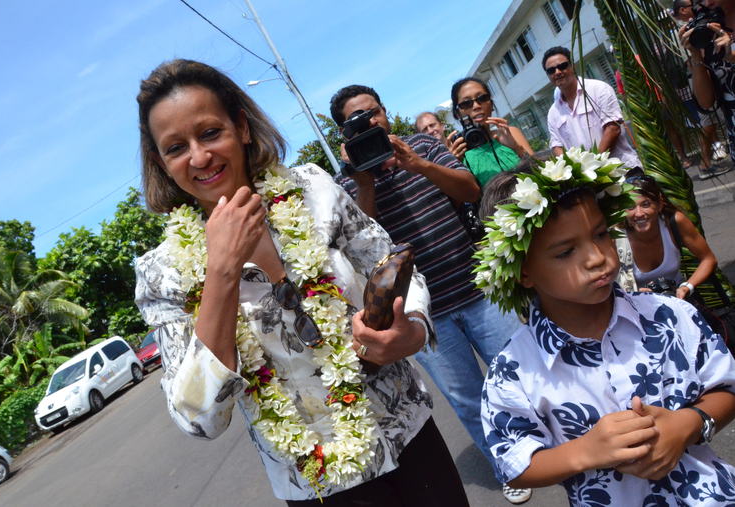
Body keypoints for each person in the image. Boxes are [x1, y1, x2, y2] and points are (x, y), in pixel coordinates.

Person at [133, 59, 470, 506]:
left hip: (408, 434)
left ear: (242, 128)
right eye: (176, 147)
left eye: (211, 133)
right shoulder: (163, 272)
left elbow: (388, 263)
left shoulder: (313, 189)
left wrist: (412, 327)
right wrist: (222, 271)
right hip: (318, 483)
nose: (199, 157)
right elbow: (201, 419)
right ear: (161, 162)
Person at [475, 148, 735, 505]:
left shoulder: (671, 316)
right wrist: (586, 451)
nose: (598, 257)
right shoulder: (514, 371)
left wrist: (689, 424)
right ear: (523, 272)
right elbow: (515, 462)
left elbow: (726, 387)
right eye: (565, 252)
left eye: (600, 234)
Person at [329, 85, 530, 504]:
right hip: (421, 315)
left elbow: (471, 191)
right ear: (342, 136)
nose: (369, 124)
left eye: (372, 114)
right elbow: (356, 237)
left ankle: (550, 447)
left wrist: (417, 163)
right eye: (356, 122)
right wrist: (362, 180)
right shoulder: (343, 186)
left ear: (385, 112)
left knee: (520, 376)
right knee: (470, 399)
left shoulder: (421, 144)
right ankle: (509, 465)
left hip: (477, 289)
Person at [543, 46, 642, 169]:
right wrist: (572, 172)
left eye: (562, 66)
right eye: (551, 70)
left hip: (622, 169)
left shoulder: (599, 89)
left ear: (572, 65)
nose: (557, 72)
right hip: (587, 182)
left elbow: (613, 128)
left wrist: (593, 166)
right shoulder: (553, 112)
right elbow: (557, 145)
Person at [621, 173, 719, 297]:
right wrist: (633, 294)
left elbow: (708, 259)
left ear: (659, 204)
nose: (638, 213)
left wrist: (686, 287)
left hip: (678, 301)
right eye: (630, 207)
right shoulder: (616, 238)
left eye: (645, 204)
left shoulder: (674, 222)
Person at [671, 0, 731, 179]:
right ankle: (705, 164)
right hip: (697, 78)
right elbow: (689, 63)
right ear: (683, 10)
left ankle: (710, 157)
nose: (703, 6)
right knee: (707, 123)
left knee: (709, 124)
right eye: (695, 5)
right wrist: (697, 51)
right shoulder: (682, 32)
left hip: (710, 76)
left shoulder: (713, 21)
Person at [447, 77, 534, 187]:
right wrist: (455, 165)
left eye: (482, 98)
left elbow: (538, 170)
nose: (476, 106)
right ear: (457, 113)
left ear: (491, 105)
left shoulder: (510, 133)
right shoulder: (458, 152)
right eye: (466, 103)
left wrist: (516, 148)